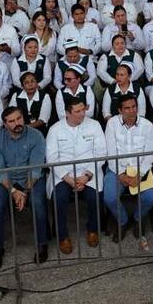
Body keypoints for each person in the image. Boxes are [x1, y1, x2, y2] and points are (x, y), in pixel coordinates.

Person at [0, 107, 48, 268]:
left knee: (38, 203)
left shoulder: (36, 136)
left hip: (31, 179)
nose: (17, 123)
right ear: (5, 124)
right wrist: (14, 192)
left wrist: (25, 192)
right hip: (7, 180)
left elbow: (36, 168)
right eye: (11, 121)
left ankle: (42, 243)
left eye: (19, 118)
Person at [45, 96, 104, 254]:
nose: (82, 114)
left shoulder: (94, 125)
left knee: (94, 197)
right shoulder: (55, 129)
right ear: (67, 113)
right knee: (59, 198)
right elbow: (52, 158)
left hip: (88, 171)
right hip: (63, 173)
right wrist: (68, 179)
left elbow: (101, 152)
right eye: (77, 111)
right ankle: (62, 236)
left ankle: (93, 229)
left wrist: (86, 176)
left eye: (83, 110)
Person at [102, 95, 153, 245]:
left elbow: (150, 155)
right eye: (127, 108)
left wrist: (139, 175)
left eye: (134, 107)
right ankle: (122, 221)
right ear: (120, 110)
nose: (131, 111)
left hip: (140, 169)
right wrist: (120, 173)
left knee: (151, 197)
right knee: (109, 197)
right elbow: (110, 152)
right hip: (116, 169)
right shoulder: (112, 124)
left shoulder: (147, 125)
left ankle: (138, 219)